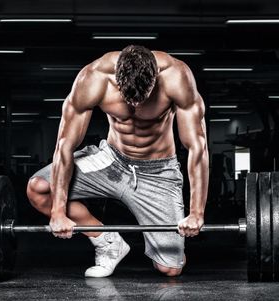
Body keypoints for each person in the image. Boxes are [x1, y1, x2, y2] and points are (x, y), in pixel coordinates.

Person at [27, 45, 208, 278]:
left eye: (142, 99)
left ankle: (167, 251)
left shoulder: (177, 76)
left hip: (158, 171)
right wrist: (59, 212)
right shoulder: (94, 78)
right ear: (117, 79)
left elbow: (197, 147)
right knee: (39, 189)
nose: (135, 106)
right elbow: (65, 146)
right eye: (128, 99)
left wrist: (196, 212)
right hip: (110, 160)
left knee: (170, 268)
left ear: (155, 79)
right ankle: (107, 241)